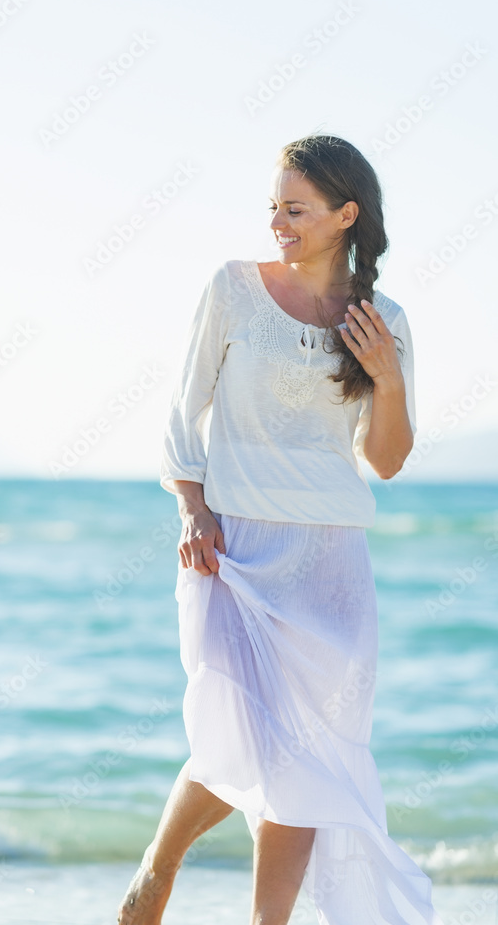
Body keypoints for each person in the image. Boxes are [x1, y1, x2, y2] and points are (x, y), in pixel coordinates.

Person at [116, 134, 444, 925]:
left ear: (345, 216)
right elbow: (183, 415)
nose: (277, 224)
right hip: (234, 550)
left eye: (296, 210)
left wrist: (388, 377)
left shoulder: (384, 321)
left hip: (330, 564)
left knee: (309, 760)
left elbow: (387, 459)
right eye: (274, 208)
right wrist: (193, 510)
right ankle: (159, 869)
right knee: (235, 739)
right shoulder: (232, 289)